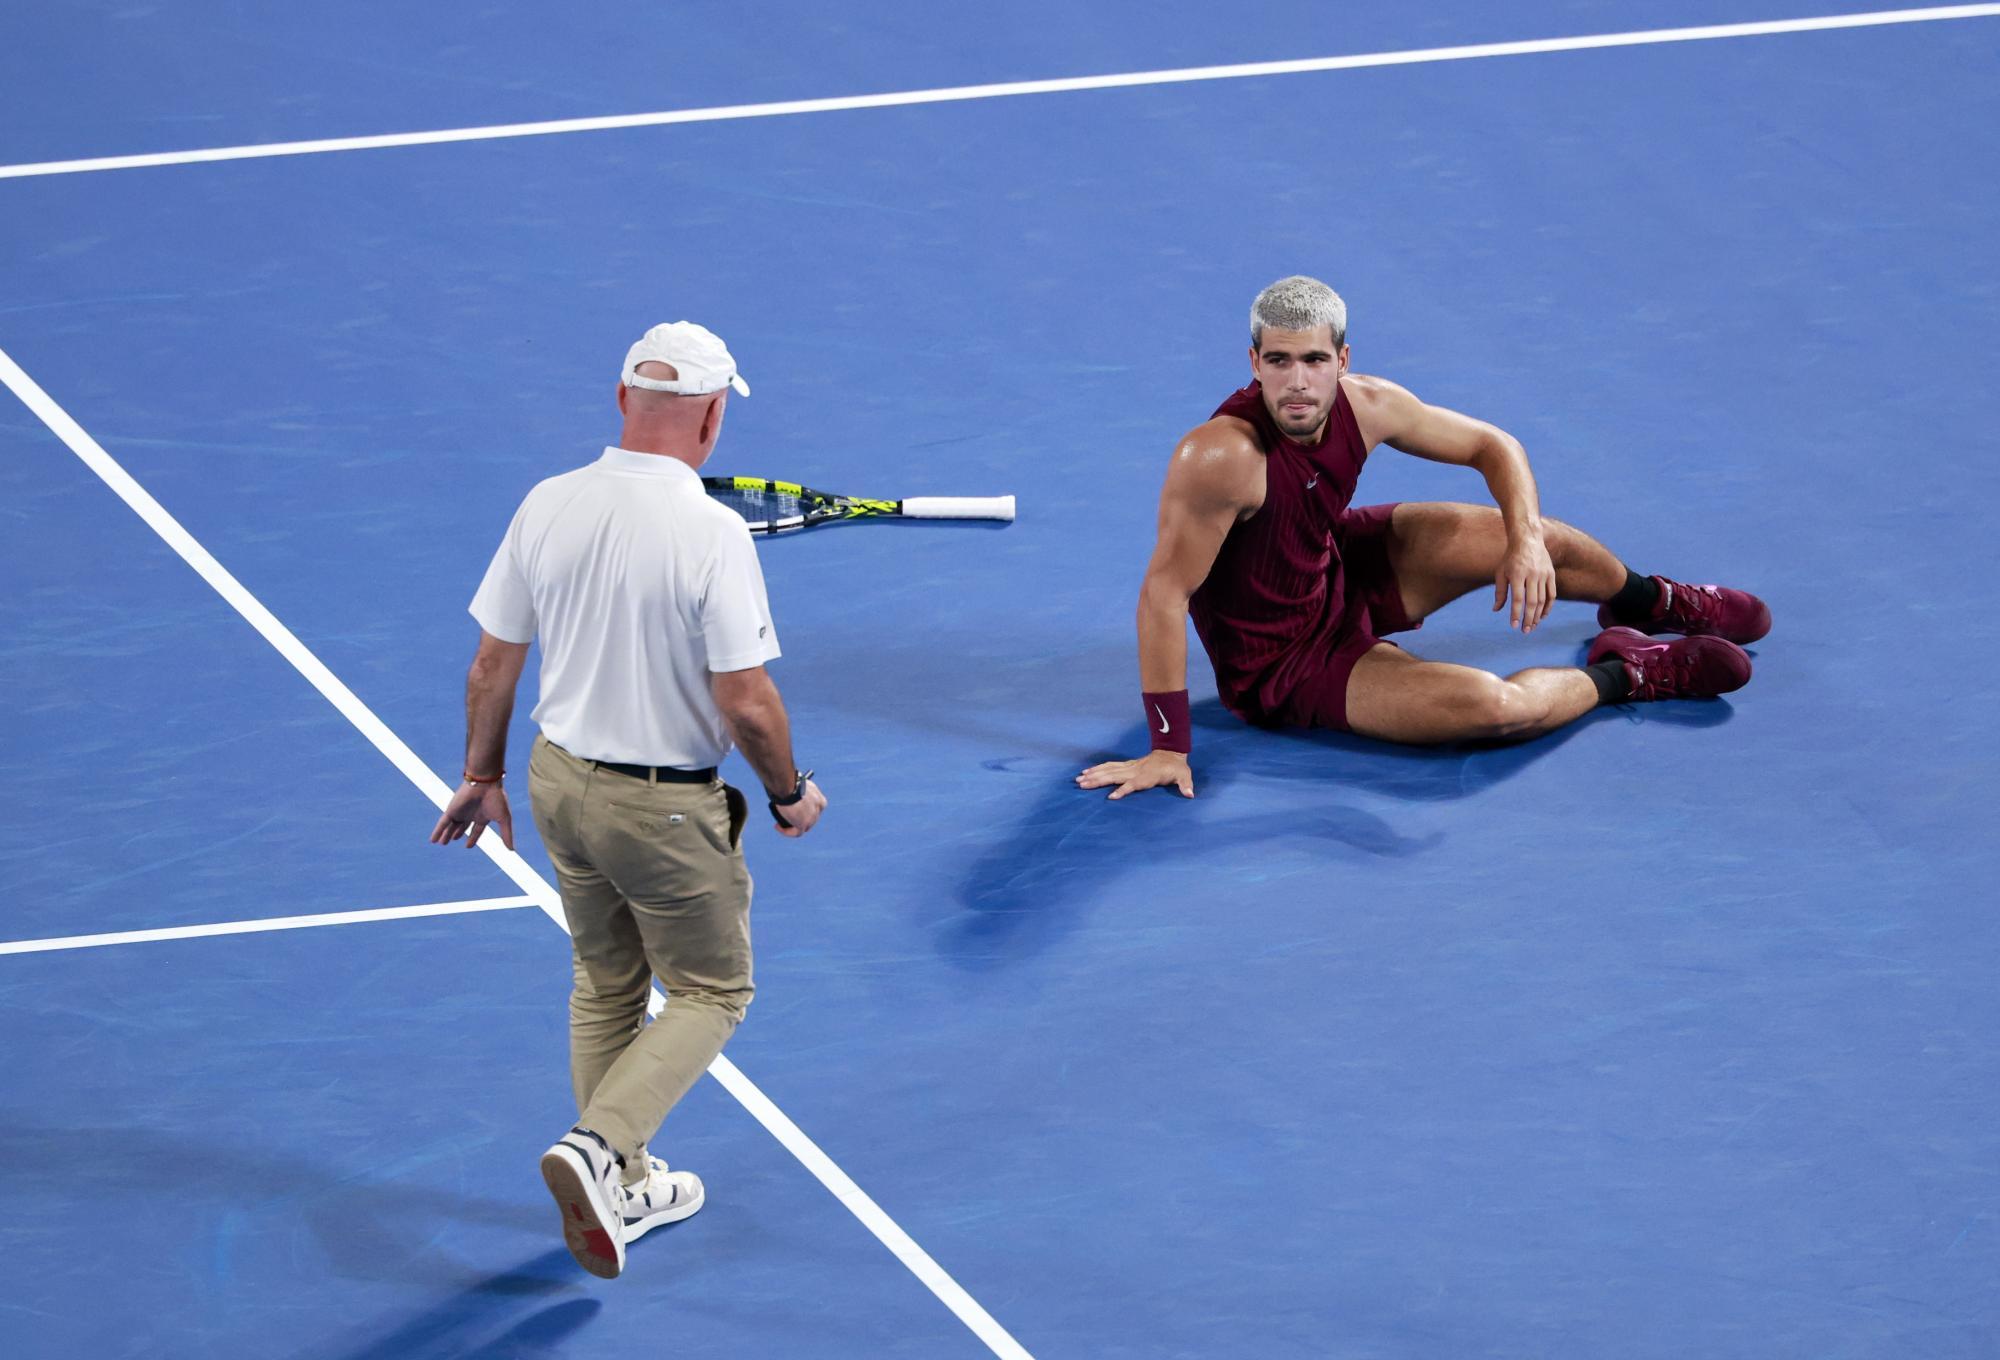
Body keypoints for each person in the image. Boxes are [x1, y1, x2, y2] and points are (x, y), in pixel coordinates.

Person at [430, 321, 827, 1278]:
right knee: (712, 991)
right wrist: (788, 793)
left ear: (622, 400)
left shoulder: (548, 501)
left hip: (556, 785)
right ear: (714, 417)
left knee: (606, 980)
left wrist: (481, 777)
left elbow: (491, 664)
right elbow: (747, 699)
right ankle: (600, 1145)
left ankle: (631, 1182)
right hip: (662, 813)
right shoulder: (712, 532)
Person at [1077, 275, 1769, 801]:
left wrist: (1525, 542)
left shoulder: (1370, 404)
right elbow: (1164, 595)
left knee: (1540, 537)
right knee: (1494, 709)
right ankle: (1628, 672)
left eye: (1314, 360)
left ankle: (1653, 601)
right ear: (1254, 362)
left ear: (1343, 359)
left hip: (1339, 564)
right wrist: (1167, 747)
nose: (1298, 383)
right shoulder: (1221, 457)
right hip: (1287, 664)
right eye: (1279, 361)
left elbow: (1494, 445)